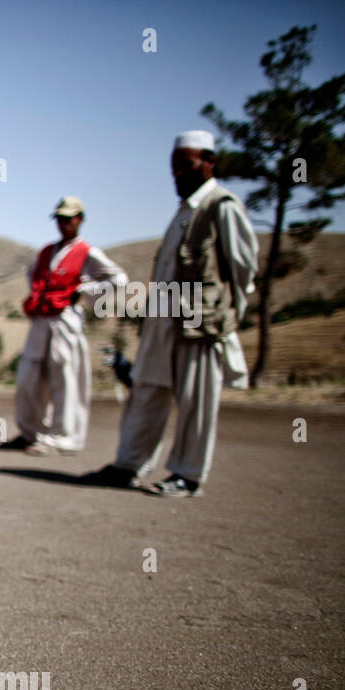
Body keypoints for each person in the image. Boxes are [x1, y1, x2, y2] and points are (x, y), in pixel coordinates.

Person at [81, 131, 257, 497]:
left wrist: (223, 317)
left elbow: (243, 269)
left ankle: (188, 475)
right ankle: (127, 465)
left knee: (196, 398)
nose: (178, 174)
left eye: (187, 165)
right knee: (146, 389)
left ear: (210, 163)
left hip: (198, 318)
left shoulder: (222, 206)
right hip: (163, 315)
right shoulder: (183, 212)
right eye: (174, 167)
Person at [1, 197, 127, 455]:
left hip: (65, 319)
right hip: (41, 319)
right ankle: (30, 431)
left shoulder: (87, 252)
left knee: (65, 377)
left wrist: (83, 290)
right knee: (29, 377)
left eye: (68, 219)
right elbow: (33, 275)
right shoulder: (47, 251)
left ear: (80, 219)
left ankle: (63, 436)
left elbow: (118, 279)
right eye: (59, 219)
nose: (63, 224)